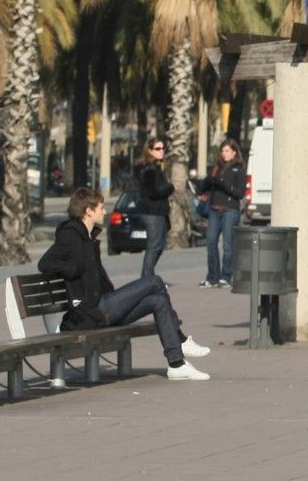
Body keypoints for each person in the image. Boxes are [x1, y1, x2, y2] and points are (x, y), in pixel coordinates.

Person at [38, 188, 212, 379]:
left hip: (104, 305)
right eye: (101, 208)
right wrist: (73, 269)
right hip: (93, 311)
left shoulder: (89, 237)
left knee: (158, 301)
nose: (105, 212)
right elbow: (45, 263)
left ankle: (176, 363)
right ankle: (180, 340)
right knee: (154, 281)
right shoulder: (70, 235)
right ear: (88, 210)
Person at [198, 139, 247, 288]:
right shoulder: (216, 168)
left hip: (230, 210)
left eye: (227, 151)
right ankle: (212, 276)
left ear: (234, 152)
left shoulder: (239, 169)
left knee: (228, 245)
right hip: (214, 209)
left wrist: (223, 184)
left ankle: (226, 276)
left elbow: (240, 193)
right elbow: (202, 188)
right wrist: (209, 180)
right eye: (223, 151)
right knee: (211, 242)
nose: (224, 154)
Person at [134, 136, 174, 279]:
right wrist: (170, 187)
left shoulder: (157, 167)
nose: (161, 151)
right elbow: (154, 192)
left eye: (163, 148)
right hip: (152, 213)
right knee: (154, 246)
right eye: (157, 149)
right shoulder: (150, 169)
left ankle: (147, 275)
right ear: (149, 150)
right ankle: (146, 277)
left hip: (159, 212)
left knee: (159, 246)